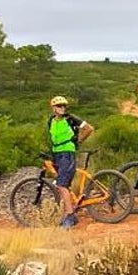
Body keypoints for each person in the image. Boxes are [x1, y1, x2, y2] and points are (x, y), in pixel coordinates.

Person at [47, 96, 94, 229]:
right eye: (59, 106)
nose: (62, 108)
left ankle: (70, 216)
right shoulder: (51, 121)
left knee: (62, 185)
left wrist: (78, 140)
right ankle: (69, 212)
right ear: (53, 108)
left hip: (67, 153)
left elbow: (89, 128)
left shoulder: (70, 118)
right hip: (57, 153)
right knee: (61, 183)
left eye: (64, 106)